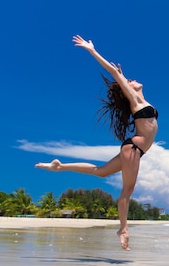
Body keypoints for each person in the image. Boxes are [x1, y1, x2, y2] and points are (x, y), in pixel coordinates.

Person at [36, 35, 159, 251]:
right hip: (134, 148)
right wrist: (92, 50)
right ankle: (123, 228)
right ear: (127, 88)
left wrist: (121, 75)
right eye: (128, 81)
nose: (132, 80)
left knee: (100, 171)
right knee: (127, 190)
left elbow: (119, 74)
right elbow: (113, 72)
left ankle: (59, 166)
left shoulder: (142, 99)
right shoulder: (134, 99)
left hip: (136, 149)